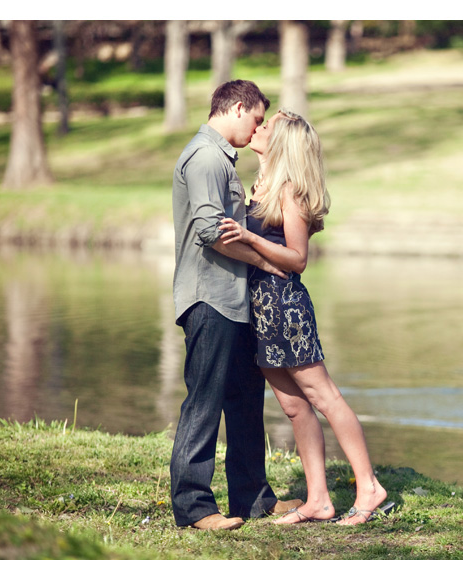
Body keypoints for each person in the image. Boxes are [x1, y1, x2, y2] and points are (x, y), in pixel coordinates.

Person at [219, 109, 391, 525]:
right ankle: (318, 500)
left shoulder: (291, 190)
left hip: (284, 306)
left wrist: (248, 235)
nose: (258, 128)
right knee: (295, 408)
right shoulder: (261, 184)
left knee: (324, 396)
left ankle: (369, 487)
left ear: (284, 143)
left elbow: (298, 259)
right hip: (258, 308)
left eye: (268, 126)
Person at [170, 80, 302, 531]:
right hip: (209, 298)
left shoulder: (223, 157)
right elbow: (212, 232)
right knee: (204, 401)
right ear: (238, 107)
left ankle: (253, 498)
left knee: (245, 400)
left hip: (234, 300)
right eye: (258, 119)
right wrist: (266, 261)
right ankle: (194, 508)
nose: (258, 128)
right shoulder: (206, 156)